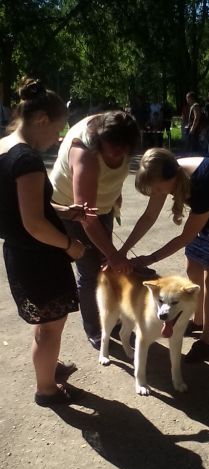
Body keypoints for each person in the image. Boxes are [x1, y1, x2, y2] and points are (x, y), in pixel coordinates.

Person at [117, 148, 209, 362]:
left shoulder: (202, 182)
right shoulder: (164, 172)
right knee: (193, 268)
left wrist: (150, 258)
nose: (157, 192)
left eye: (159, 188)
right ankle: (197, 322)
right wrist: (122, 251)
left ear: (171, 179)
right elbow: (149, 216)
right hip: (206, 214)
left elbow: (185, 237)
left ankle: (205, 341)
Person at [0, 77, 87, 406]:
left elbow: (21, 202)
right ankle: (46, 389)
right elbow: (35, 223)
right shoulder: (27, 160)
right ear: (40, 120)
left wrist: (64, 210)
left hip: (20, 253)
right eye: (56, 131)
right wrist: (71, 245)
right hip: (39, 255)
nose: (56, 139)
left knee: (45, 325)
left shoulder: (4, 147)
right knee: (50, 328)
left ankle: (47, 368)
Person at [50, 110, 139, 349]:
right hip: (73, 209)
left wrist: (114, 197)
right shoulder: (85, 155)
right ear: (100, 141)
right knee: (91, 271)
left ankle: (112, 318)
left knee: (106, 268)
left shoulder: (121, 130)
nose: (119, 154)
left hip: (102, 206)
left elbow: (115, 173)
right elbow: (87, 218)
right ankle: (96, 328)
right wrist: (113, 253)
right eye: (113, 149)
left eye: (124, 149)